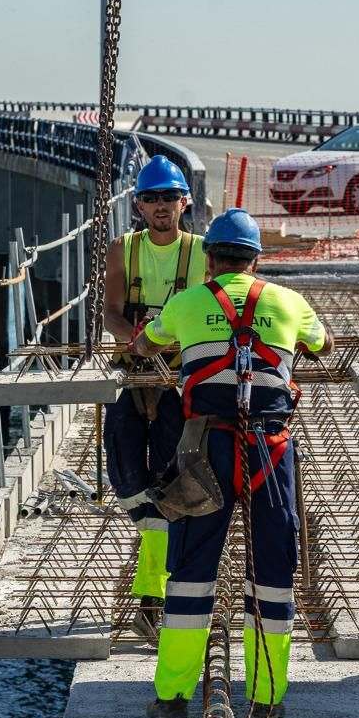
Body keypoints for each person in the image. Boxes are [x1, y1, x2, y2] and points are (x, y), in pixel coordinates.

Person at [131, 209, 331, 718]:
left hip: (206, 453)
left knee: (194, 572)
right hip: (270, 450)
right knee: (271, 572)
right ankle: (266, 695)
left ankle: (174, 696)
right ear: (257, 259)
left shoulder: (187, 302)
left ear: (210, 259)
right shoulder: (289, 302)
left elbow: (145, 345)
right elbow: (323, 345)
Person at [102, 156, 207, 638]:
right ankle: (154, 586)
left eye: (169, 197)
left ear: (185, 202)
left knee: (167, 481)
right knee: (126, 477)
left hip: (178, 378)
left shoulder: (203, 252)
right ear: (138, 205)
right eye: (151, 198)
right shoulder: (123, 249)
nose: (161, 206)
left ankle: (152, 595)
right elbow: (112, 312)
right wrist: (139, 343)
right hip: (134, 371)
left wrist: (169, 348)